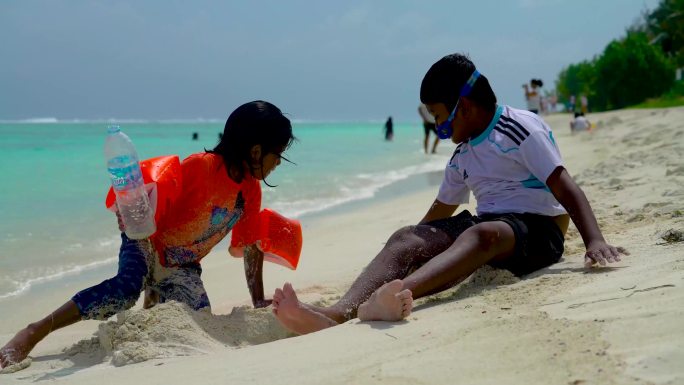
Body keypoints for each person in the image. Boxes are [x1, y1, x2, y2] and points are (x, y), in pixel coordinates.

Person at [272, 53, 627, 335]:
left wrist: (594, 240)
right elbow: (441, 210)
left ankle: (395, 296)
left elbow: (565, 186)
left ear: (466, 107)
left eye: (441, 119)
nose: (440, 130)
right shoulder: (463, 154)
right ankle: (337, 312)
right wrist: (415, 246)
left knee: (481, 233)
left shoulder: (519, 129)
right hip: (489, 226)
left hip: (539, 232)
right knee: (407, 235)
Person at [0, 100, 296, 369]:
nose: (279, 162)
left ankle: (154, 295)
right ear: (256, 151)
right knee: (126, 289)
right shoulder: (201, 168)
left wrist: (258, 299)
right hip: (147, 243)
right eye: (278, 154)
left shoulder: (250, 191)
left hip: (182, 265)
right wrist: (128, 209)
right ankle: (36, 329)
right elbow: (151, 194)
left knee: (196, 318)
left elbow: (251, 247)